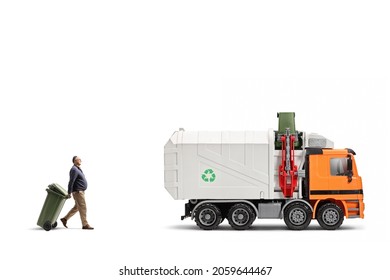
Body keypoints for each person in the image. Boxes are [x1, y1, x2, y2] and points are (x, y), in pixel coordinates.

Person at [60, 156, 94, 230]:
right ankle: (85, 224)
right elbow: (71, 181)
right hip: (78, 192)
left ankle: (64, 219)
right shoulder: (74, 169)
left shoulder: (78, 169)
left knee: (77, 207)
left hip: (80, 191)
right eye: (79, 159)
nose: (80, 160)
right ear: (75, 161)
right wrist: (69, 192)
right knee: (83, 207)